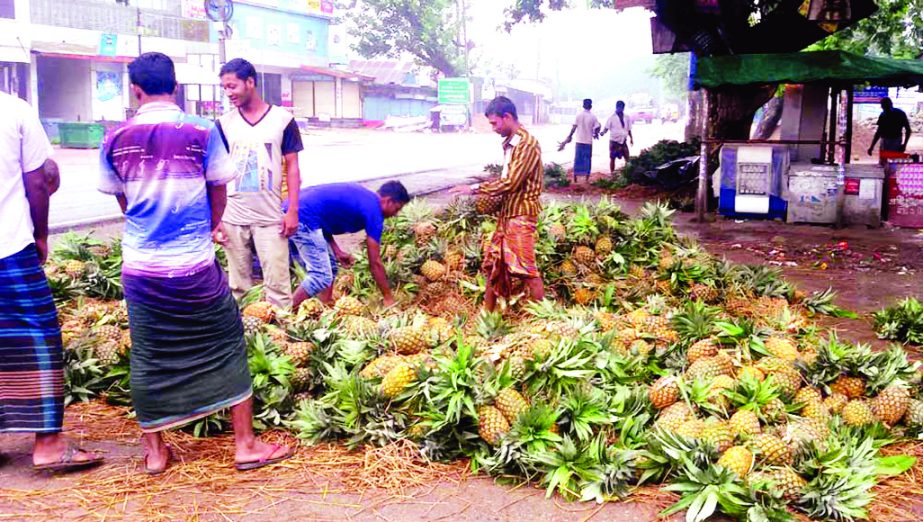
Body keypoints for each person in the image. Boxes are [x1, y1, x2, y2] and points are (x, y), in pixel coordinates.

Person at [98, 53, 291, 474]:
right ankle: (245, 445)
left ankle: (155, 452)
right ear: (177, 87)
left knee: (149, 353)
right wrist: (209, 225)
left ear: (135, 89)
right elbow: (219, 189)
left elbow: (123, 200)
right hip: (193, 266)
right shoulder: (201, 131)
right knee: (226, 342)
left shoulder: (115, 136)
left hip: (142, 268)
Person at [0, 92, 104, 472]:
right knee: (39, 335)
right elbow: (41, 181)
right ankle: (47, 443)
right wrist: (41, 236)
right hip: (8, 245)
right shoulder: (13, 110)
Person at [214, 58, 303, 308]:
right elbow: (216, 175)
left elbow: (293, 167)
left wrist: (292, 210)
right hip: (233, 217)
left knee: (278, 286)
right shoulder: (223, 124)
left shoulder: (283, 120)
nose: (228, 93)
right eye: (225, 88)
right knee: (238, 288)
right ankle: (241, 338)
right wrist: (216, 218)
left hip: (271, 217)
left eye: (232, 86)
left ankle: (283, 336)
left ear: (250, 82)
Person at [453, 96, 545, 311]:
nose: (492, 128)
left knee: (527, 270)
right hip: (507, 214)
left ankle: (543, 319)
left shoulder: (526, 144)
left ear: (508, 117)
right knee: (495, 266)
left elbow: (511, 182)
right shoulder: (510, 144)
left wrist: (475, 189)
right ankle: (488, 314)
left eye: (495, 123)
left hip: (520, 215)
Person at [290, 181, 410, 310]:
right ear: (388, 201)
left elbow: (325, 219)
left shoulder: (365, 198)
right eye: (397, 208)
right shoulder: (374, 212)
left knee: (330, 267)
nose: (396, 214)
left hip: (297, 211)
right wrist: (388, 297)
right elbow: (374, 262)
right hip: (301, 217)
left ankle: (324, 308)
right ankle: (286, 313)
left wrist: (337, 251)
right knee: (320, 275)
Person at [558, 98, 600, 182]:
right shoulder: (593, 117)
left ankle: (575, 178)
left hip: (579, 141)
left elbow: (574, 127)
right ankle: (586, 178)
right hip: (588, 141)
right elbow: (597, 127)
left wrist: (569, 136)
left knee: (578, 159)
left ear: (583, 105)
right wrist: (596, 134)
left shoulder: (578, 115)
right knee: (587, 159)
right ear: (591, 106)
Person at [868, 97, 911, 162]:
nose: (883, 108)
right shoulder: (899, 113)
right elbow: (908, 130)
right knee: (890, 163)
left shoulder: (885, 114)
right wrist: (904, 145)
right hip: (892, 141)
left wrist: (871, 147)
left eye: (883, 106)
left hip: (891, 141)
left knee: (887, 163)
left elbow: (878, 132)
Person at [600, 100, 634, 174]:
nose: (620, 109)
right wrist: (603, 132)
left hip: (623, 141)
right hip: (614, 142)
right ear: (616, 107)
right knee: (612, 158)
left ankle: (628, 173)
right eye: (619, 107)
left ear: (623, 108)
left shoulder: (627, 117)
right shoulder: (611, 117)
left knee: (627, 158)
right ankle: (612, 173)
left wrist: (631, 139)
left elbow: (629, 129)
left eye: (622, 107)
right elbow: (606, 128)